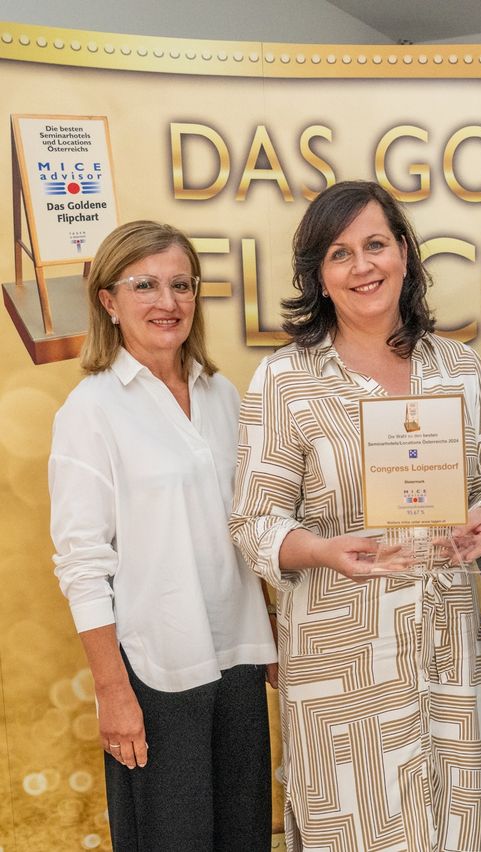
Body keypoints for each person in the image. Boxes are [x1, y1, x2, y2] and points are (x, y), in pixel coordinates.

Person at [229, 180, 481, 852]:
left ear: (403, 254)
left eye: (375, 245)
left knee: (450, 828)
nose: (362, 266)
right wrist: (323, 551)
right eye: (340, 253)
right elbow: (254, 522)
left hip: (444, 650)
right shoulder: (286, 379)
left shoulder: (458, 367)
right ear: (319, 276)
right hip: (342, 671)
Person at [48, 220, 278, 851]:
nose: (167, 302)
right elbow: (81, 563)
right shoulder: (91, 411)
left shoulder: (223, 394)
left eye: (181, 284)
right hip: (154, 671)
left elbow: (245, 526)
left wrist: (273, 634)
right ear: (108, 301)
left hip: (237, 657)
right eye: (144, 285)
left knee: (244, 837)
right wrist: (112, 691)